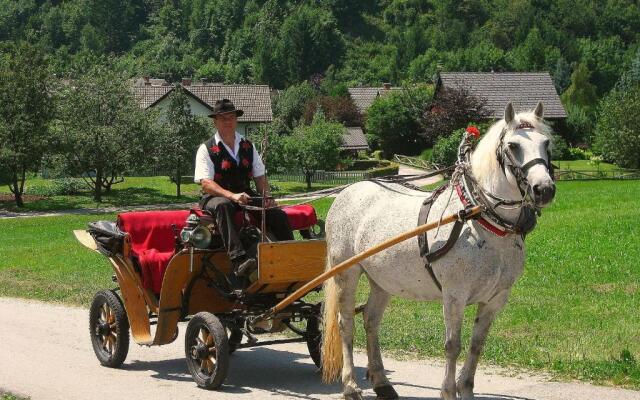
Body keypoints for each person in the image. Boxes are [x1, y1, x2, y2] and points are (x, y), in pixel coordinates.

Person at [194, 99, 293, 282]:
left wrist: (267, 197)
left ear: (236, 120)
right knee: (223, 206)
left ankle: (291, 255)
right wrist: (231, 195)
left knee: (276, 214)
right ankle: (239, 260)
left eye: (231, 117)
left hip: (245, 194)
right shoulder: (206, 149)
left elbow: (260, 176)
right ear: (215, 122)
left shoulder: (248, 145)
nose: (227, 121)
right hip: (215, 196)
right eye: (222, 118)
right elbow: (206, 183)